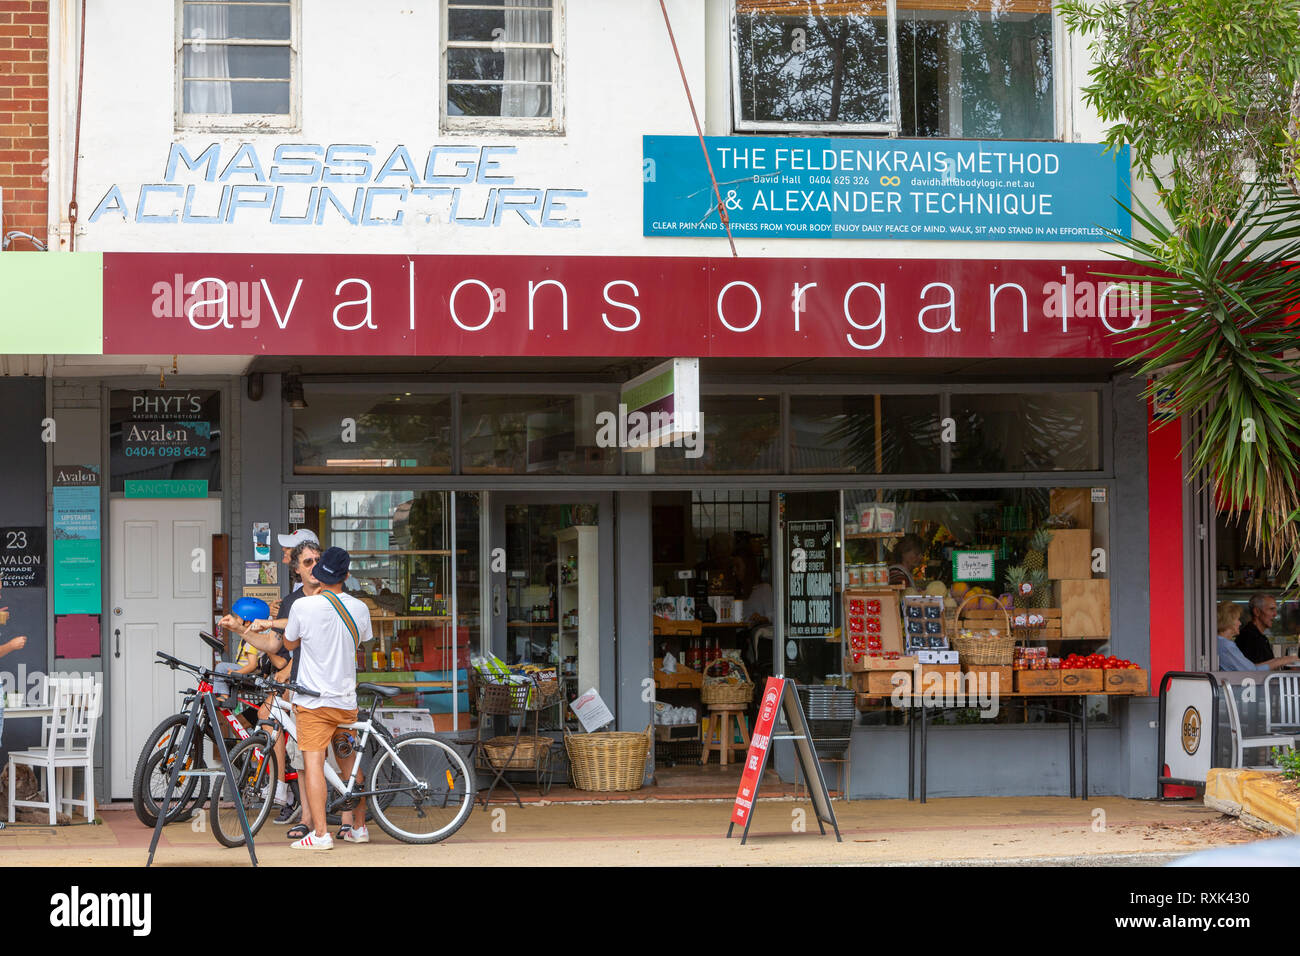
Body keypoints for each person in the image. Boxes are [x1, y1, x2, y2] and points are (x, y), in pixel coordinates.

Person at [251, 546, 372, 850]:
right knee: (349, 766)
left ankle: (320, 834)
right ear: (345, 575)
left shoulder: (304, 607)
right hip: (345, 700)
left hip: (314, 703)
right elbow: (362, 640)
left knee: (314, 764)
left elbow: (289, 642)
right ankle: (358, 828)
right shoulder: (359, 608)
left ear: (319, 574)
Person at [1215, 601, 1298, 671]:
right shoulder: (1226, 645)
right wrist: (1282, 661)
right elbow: (1252, 671)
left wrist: (1282, 660)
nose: (1240, 623)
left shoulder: (1220, 642)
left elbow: (1251, 667)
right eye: (1237, 619)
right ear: (1228, 621)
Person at [1236, 593, 1282, 665]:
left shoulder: (1258, 636)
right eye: (1271, 609)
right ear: (1257, 612)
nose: (1275, 614)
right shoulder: (1249, 637)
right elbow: (1253, 670)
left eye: (1275, 610)